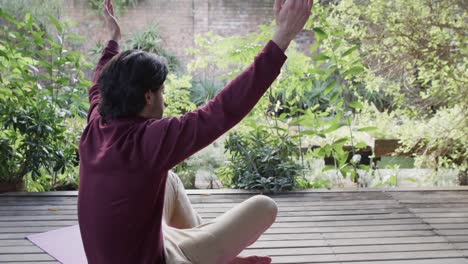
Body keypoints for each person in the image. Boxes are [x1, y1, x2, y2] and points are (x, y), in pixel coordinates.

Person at [77, 0, 313, 263]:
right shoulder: (149, 142)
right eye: (161, 91)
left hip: (126, 252)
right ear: (148, 97)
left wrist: (114, 38)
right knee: (265, 207)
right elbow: (224, 110)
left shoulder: (96, 123)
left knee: (170, 181)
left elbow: (98, 82)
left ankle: (205, 254)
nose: (163, 97)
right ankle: (207, 257)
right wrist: (282, 36)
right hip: (153, 259)